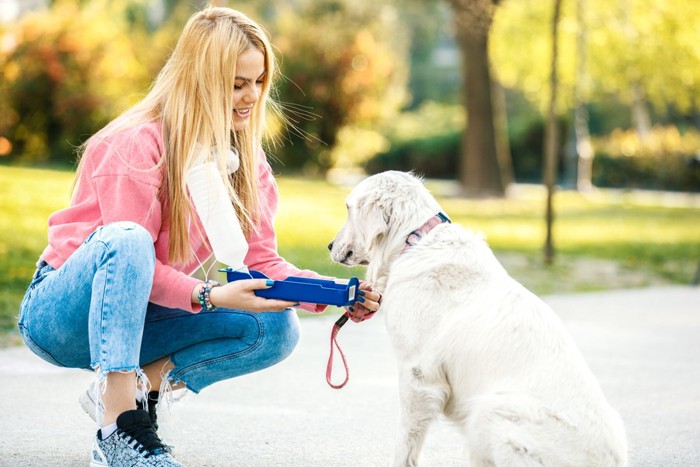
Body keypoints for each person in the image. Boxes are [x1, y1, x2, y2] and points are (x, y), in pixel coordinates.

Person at [17, 6, 381, 467]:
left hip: (144, 318)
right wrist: (209, 294)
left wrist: (334, 293)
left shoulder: (245, 163)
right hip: (65, 316)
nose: (251, 96)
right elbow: (132, 263)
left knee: (273, 327)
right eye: (236, 84)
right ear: (200, 80)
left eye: (258, 81)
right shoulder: (135, 145)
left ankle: (135, 396)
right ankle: (116, 429)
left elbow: (261, 262)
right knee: (129, 238)